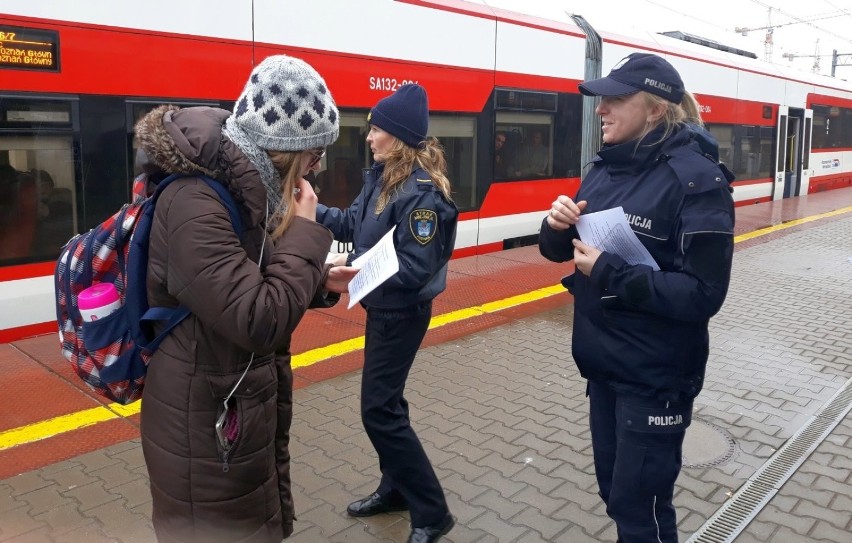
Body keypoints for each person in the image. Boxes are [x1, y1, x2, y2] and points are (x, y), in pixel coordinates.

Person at [135, 55, 358, 543]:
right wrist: (305, 229)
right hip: (200, 425)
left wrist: (318, 281)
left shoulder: (240, 190)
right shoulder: (196, 201)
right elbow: (259, 318)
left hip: (225, 404)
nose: (316, 172)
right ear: (285, 151)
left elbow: (249, 280)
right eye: (315, 157)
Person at [538, 53, 735, 543]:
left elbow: (704, 294)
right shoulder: (603, 168)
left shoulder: (698, 182)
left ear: (654, 108)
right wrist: (555, 226)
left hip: (655, 376)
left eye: (615, 99)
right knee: (616, 494)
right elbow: (560, 250)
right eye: (601, 100)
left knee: (640, 508)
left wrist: (610, 270)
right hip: (604, 368)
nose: (601, 109)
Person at [316, 84, 459, 543]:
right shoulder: (380, 179)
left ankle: (433, 512)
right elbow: (351, 225)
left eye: (376, 128)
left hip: (401, 313)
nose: (370, 136)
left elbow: (416, 267)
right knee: (390, 404)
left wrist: (356, 270)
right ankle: (395, 490)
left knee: (378, 411)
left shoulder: (421, 195)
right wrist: (305, 209)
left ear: (397, 136)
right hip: (382, 309)